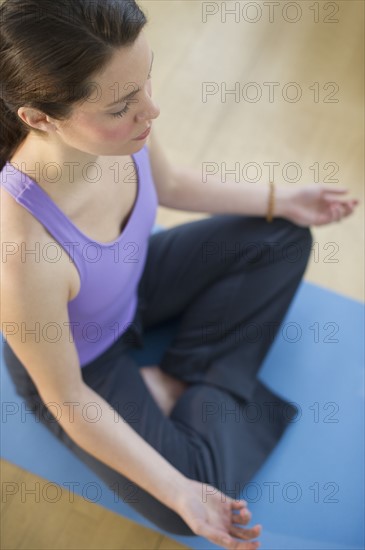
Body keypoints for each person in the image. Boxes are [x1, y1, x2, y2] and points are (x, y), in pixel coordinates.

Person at [0, 1, 359, 548]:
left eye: (146, 80)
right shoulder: (21, 253)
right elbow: (67, 397)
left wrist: (282, 198)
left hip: (133, 283)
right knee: (197, 489)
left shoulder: (125, 125)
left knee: (282, 235)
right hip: (82, 364)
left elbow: (169, 185)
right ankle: (192, 378)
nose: (152, 109)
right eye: (124, 104)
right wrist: (179, 492)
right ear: (40, 117)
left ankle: (170, 380)